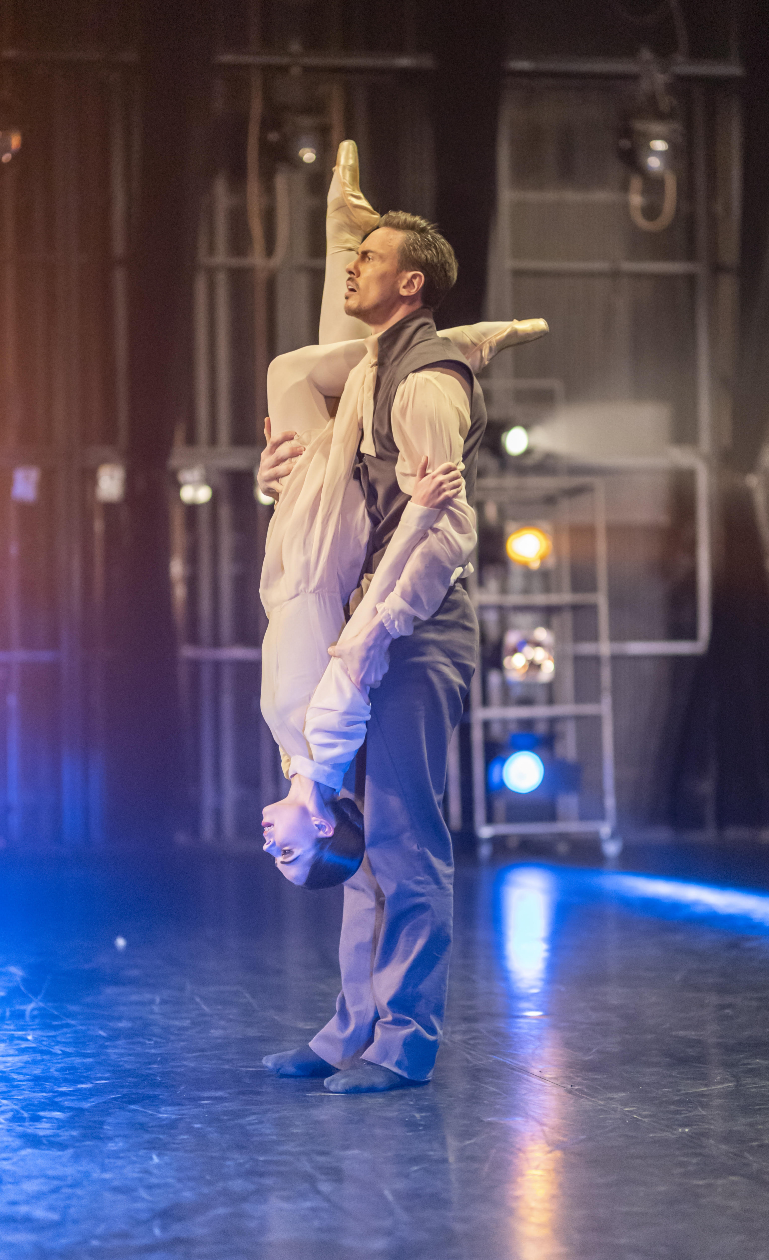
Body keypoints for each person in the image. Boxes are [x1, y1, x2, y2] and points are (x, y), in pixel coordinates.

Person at [258, 142, 548, 1093]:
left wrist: (375, 632)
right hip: (371, 622)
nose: (352, 269)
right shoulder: (372, 372)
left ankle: (404, 1039)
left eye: (369, 258)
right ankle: (351, 1027)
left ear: (410, 282)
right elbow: (330, 481)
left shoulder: (422, 381)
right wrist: (277, 478)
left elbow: (443, 530)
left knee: (401, 837)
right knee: (357, 834)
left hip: (414, 630)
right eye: (352, 254)